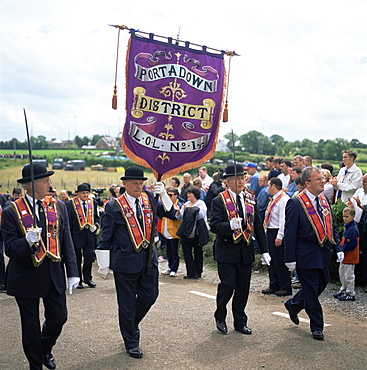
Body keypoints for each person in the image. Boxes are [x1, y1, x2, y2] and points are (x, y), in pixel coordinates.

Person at [1, 163, 79, 369]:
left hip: (53, 273)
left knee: (59, 317)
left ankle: (45, 348)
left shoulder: (58, 206)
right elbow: (10, 249)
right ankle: (35, 364)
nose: (50, 185)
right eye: (46, 181)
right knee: (30, 326)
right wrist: (26, 241)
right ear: (32, 184)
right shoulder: (11, 212)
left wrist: (73, 272)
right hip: (25, 276)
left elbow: (66, 240)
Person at [97, 166, 174, 358]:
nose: (139, 187)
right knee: (126, 303)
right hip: (124, 262)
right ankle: (131, 341)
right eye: (135, 184)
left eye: (141, 183)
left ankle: (130, 324)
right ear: (124, 184)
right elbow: (105, 236)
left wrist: (163, 194)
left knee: (150, 296)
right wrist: (103, 263)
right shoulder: (114, 206)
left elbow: (171, 211)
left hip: (149, 260)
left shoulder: (149, 199)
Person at [283, 166, 343, 340]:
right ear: (307, 183)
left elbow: (330, 226)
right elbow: (290, 233)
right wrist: (290, 259)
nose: (322, 181)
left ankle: (293, 305)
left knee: (321, 284)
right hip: (305, 254)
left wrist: (338, 248)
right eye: (318, 179)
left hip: (322, 252)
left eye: (322, 179)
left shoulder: (323, 200)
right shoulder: (295, 202)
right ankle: (317, 326)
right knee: (310, 289)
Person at [210, 164, 270, 335]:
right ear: (227, 182)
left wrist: (265, 251)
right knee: (228, 285)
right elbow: (214, 225)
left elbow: (258, 226)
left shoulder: (251, 199)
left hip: (245, 250)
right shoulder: (218, 200)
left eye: (242, 178)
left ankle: (240, 321)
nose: (240, 181)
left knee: (243, 288)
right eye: (235, 179)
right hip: (227, 250)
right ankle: (220, 316)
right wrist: (229, 225)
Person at [66, 183, 100, 289]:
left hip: (89, 235)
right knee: (77, 258)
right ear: (78, 194)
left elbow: (97, 217)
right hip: (76, 235)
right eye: (83, 193)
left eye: (87, 193)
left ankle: (88, 278)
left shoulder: (93, 202)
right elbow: (68, 221)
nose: (85, 195)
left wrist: (96, 226)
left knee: (89, 257)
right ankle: (78, 279)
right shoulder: (70, 204)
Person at [262, 178, 292, 297]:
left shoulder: (284, 199)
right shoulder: (274, 199)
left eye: (269, 185)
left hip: (277, 232)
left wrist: (280, 236)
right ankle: (274, 284)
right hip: (270, 231)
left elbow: (283, 219)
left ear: (274, 186)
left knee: (279, 260)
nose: (267, 188)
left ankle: (285, 286)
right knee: (271, 260)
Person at [176, 186, 209, 279]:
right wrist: (178, 211)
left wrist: (189, 210)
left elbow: (201, 215)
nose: (188, 195)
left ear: (195, 194)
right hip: (187, 230)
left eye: (190, 193)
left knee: (198, 251)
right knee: (187, 252)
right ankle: (190, 272)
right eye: (187, 193)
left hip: (197, 231)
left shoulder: (201, 203)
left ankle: (198, 272)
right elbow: (180, 217)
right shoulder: (186, 203)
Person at [333, 207, 359, 301]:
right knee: (342, 273)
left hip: (350, 256)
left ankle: (350, 293)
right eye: (344, 216)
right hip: (344, 257)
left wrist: (342, 250)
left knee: (349, 275)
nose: (345, 218)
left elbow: (351, 244)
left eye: (347, 216)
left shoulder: (353, 229)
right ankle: (343, 290)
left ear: (353, 216)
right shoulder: (347, 227)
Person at [349, 173, 367, 293]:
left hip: (365, 225)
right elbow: (351, 202)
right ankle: (357, 279)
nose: (363, 184)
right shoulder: (360, 191)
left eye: (365, 182)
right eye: (362, 181)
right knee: (357, 252)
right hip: (358, 224)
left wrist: (360, 204)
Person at [160, 187, 183, 277]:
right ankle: (169, 267)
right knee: (168, 251)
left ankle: (174, 269)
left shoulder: (179, 205)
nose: (169, 197)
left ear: (176, 196)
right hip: (166, 230)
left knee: (174, 252)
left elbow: (175, 217)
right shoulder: (165, 204)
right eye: (167, 195)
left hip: (174, 231)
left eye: (170, 195)